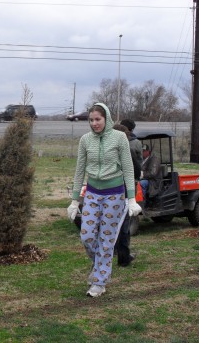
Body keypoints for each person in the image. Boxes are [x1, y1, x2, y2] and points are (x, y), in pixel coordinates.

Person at [67, 103, 141, 297]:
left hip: (114, 195)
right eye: (91, 120)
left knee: (106, 240)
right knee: (87, 236)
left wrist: (131, 199)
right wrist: (75, 201)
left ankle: (99, 282)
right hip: (92, 193)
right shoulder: (85, 140)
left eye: (97, 119)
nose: (94, 123)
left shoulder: (119, 138)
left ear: (106, 119)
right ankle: (99, 264)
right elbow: (79, 170)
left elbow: (128, 168)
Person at [113, 124, 141, 267]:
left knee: (110, 224)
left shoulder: (106, 148)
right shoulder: (126, 150)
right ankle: (124, 257)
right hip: (124, 191)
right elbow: (136, 169)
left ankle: (110, 252)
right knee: (124, 226)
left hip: (108, 192)